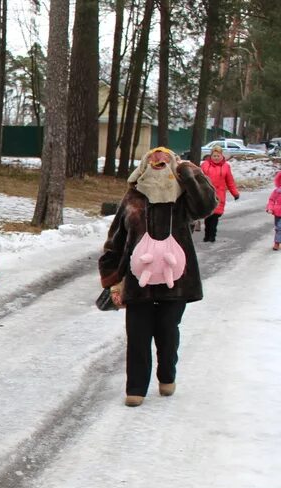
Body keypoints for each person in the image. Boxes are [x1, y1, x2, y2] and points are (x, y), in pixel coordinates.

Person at [98, 147, 217, 407]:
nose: (158, 161)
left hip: (177, 281)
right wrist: (112, 277)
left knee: (167, 331)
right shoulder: (134, 196)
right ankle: (136, 389)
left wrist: (188, 172)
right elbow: (116, 238)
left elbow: (207, 205)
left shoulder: (184, 198)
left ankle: (166, 375)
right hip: (138, 282)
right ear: (143, 166)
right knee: (137, 335)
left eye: (165, 159)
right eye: (153, 158)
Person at [199, 144, 239, 243]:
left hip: (219, 195)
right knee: (208, 216)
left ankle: (212, 235)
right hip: (207, 194)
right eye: (214, 156)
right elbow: (199, 178)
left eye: (218, 156)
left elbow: (230, 181)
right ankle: (207, 235)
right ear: (211, 156)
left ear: (221, 156)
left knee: (215, 216)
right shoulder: (205, 165)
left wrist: (235, 193)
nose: (216, 158)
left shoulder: (226, 167)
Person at [267, 170, 281, 251]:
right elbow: (271, 200)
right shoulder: (277, 191)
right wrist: (270, 208)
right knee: (279, 228)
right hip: (278, 213)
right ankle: (277, 242)